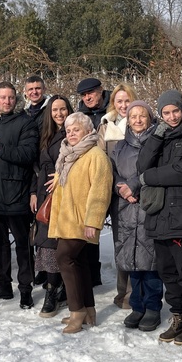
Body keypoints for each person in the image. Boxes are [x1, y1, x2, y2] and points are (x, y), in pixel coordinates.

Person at [137, 90, 182, 346]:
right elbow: (142, 165)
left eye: (175, 111)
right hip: (158, 216)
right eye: (165, 113)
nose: (171, 117)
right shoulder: (160, 137)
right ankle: (177, 316)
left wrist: (148, 178)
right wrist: (156, 136)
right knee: (167, 272)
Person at [0, 82, 40, 308]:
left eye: (11, 97)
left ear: (16, 99)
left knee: (23, 244)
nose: (6, 101)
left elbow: (28, 153)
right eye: (2, 97)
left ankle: (25, 288)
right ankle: (3, 284)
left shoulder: (26, 123)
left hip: (16, 194)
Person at [48, 112, 113, 333]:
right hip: (67, 220)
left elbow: (100, 191)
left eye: (77, 129)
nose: (72, 134)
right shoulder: (67, 156)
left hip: (82, 221)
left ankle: (77, 312)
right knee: (80, 262)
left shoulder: (96, 155)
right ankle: (88, 311)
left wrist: (93, 221)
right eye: (68, 130)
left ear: (88, 131)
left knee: (64, 257)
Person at [111, 101, 163, 332]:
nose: (138, 120)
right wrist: (120, 189)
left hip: (149, 205)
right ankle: (136, 306)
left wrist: (136, 189)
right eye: (134, 116)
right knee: (131, 260)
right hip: (125, 208)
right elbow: (111, 173)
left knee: (150, 260)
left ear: (150, 118)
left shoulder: (158, 142)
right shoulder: (120, 147)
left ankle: (153, 306)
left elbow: (155, 172)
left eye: (143, 116)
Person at [31, 95, 72, 316]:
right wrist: (32, 193)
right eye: (55, 110)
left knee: (55, 245)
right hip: (43, 193)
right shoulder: (45, 135)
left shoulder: (73, 132)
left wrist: (62, 174)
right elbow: (35, 167)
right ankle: (55, 285)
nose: (59, 114)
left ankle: (54, 289)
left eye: (63, 109)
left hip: (63, 194)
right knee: (45, 243)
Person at [99, 82, 137, 306]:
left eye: (127, 100)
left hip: (137, 192)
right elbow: (103, 161)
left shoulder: (141, 122)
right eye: (119, 101)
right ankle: (123, 292)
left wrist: (134, 187)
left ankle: (136, 293)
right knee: (120, 242)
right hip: (116, 192)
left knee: (139, 243)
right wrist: (116, 187)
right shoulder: (106, 126)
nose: (123, 105)